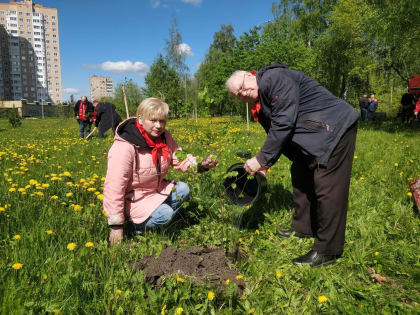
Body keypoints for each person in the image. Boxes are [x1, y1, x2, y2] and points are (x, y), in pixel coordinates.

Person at [226, 62, 359, 267]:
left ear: (249, 75)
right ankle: (303, 227)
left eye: (243, 87)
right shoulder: (260, 107)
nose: (243, 93)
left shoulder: (273, 78)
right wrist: (265, 166)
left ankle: (327, 250)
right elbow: (279, 137)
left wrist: (260, 159)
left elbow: (284, 122)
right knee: (300, 171)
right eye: (238, 95)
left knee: (327, 186)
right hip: (314, 134)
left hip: (334, 127)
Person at [103, 97, 218, 244]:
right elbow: (114, 186)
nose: (158, 125)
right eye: (153, 120)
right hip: (133, 199)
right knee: (165, 214)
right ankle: (134, 229)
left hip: (154, 191)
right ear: (140, 119)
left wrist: (202, 165)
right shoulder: (125, 147)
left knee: (183, 189)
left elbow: (179, 157)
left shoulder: (164, 137)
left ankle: (154, 219)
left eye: (162, 121)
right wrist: (116, 225)